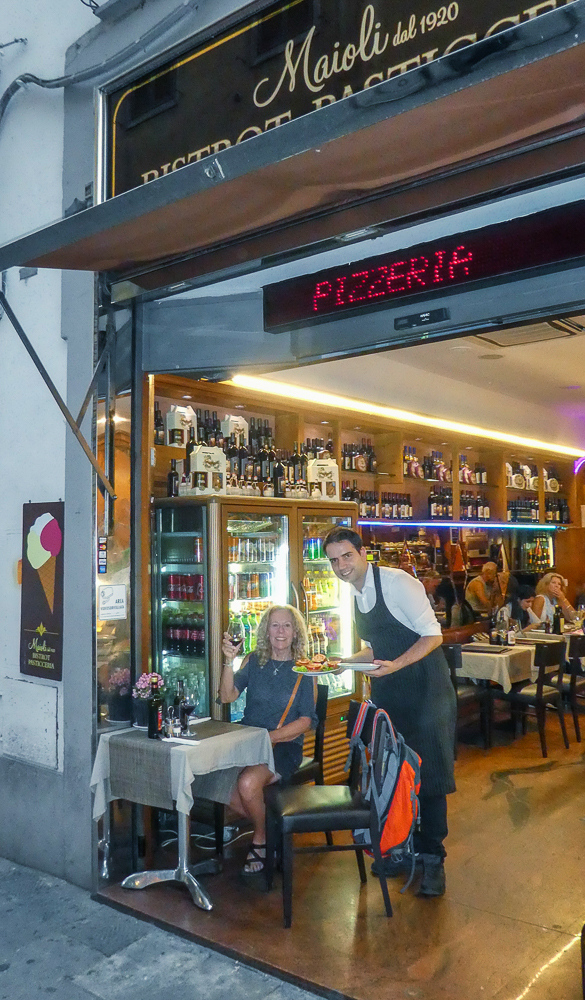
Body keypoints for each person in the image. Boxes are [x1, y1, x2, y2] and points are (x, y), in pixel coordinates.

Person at [323, 527, 456, 898]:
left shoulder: (397, 583)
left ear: (363, 553)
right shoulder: (355, 593)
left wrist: (396, 665)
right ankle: (400, 847)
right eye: (334, 560)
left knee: (429, 776)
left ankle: (433, 859)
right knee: (395, 772)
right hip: (390, 695)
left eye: (346, 556)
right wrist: (341, 663)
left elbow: (433, 635)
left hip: (427, 692)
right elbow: (375, 649)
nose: (341, 566)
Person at [220, 605, 317, 877]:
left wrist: (267, 738)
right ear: (266, 631)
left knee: (247, 783)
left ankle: (261, 840)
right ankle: (272, 829)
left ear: (295, 632)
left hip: (283, 746)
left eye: (287, 625)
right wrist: (228, 661)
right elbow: (227, 696)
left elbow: (305, 721)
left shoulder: (305, 668)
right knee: (218, 782)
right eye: (275, 625)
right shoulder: (254, 661)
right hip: (249, 741)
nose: (280, 631)